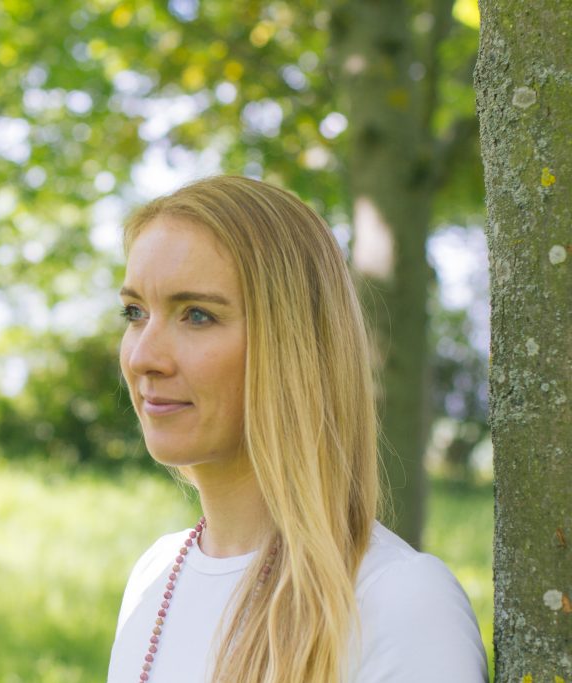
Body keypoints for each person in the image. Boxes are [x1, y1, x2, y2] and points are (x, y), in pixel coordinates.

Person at [107, 175, 487, 682]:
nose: (143, 357)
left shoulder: (396, 601)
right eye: (135, 312)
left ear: (293, 345)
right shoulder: (156, 575)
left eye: (197, 315)